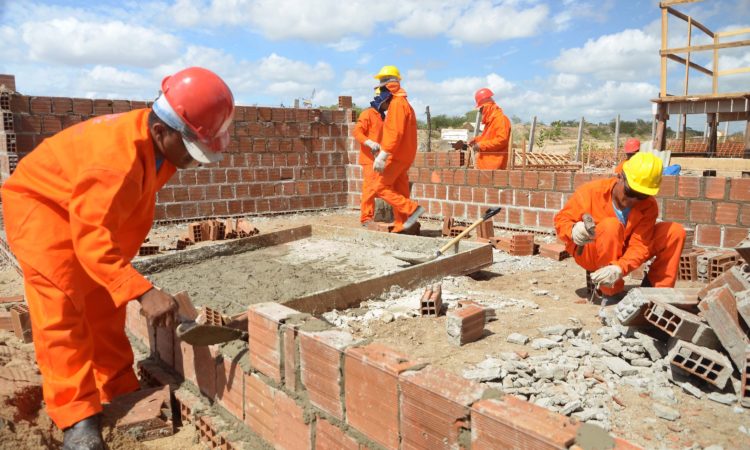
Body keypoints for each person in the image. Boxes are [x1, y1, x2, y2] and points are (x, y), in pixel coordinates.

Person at [1, 67, 235, 449]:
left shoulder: (157, 147)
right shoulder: (114, 160)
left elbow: (103, 225)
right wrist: (143, 292)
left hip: (82, 215)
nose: (194, 163)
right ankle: (76, 420)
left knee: (103, 306)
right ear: (162, 131)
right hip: (43, 212)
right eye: (193, 152)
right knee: (63, 316)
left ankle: (119, 387)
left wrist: (123, 285)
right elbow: (91, 236)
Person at [554, 152, 685, 304]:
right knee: (611, 225)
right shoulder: (591, 192)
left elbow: (639, 245)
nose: (633, 200)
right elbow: (561, 220)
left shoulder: (648, 206)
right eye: (631, 192)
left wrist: (619, 268)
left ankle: (657, 292)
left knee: (675, 232)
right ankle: (611, 293)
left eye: (641, 196)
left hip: (622, 251)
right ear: (621, 176)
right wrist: (572, 229)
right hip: (591, 252)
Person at [371, 65, 425, 233]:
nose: (379, 88)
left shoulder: (397, 104)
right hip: (404, 155)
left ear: (388, 84)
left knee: (380, 187)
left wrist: (383, 155)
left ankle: (412, 209)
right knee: (399, 189)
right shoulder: (403, 103)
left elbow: (395, 133)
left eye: (381, 83)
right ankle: (404, 224)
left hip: (396, 154)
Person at [353, 88, 391, 226]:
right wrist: (368, 142)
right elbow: (357, 132)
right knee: (369, 189)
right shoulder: (367, 114)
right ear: (383, 101)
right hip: (369, 159)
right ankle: (366, 219)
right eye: (388, 103)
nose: (389, 106)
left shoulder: (382, 117)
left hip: (379, 159)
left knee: (379, 188)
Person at [468, 87, 511, 170]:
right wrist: (476, 140)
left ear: (487, 106)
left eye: (481, 108)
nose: (481, 112)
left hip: (494, 168)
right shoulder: (491, 120)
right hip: (485, 166)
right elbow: (488, 138)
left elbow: (502, 140)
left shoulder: (501, 119)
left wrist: (481, 145)